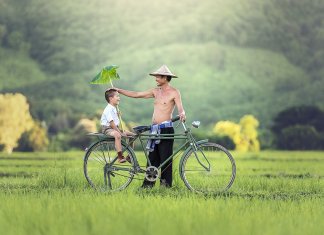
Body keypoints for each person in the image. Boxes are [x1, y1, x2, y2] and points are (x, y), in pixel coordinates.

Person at [115, 65, 186, 187]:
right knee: (152, 158)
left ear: (165, 78)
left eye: (158, 77)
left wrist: (182, 113)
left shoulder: (174, 92)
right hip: (154, 130)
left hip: (166, 129)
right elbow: (137, 94)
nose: (156, 79)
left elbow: (180, 108)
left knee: (166, 159)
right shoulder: (155, 91)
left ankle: (165, 186)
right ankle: (148, 186)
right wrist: (119, 90)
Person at [101, 88, 134, 163]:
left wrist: (117, 115)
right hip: (108, 129)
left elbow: (115, 122)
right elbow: (112, 124)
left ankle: (129, 156)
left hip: (115, 128)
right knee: (118, 135)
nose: (119, 98)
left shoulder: (114, 108)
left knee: (132, 136)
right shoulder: (108, 109)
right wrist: (120, 132)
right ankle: (120, 156)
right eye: (117, 96)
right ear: (111, 98)